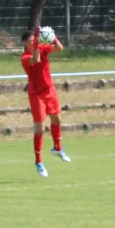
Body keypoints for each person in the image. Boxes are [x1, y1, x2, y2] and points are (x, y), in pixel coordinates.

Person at [20, 26, 71, 178]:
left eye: (34, 39)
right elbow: (35, 59)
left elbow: (59, 48)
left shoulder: (41, 47)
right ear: (25, 43)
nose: (34, 42)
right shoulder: (24, 58)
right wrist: (37, 41)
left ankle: (58, 147)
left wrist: (51, 35)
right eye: (31, 41)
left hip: (50, 91)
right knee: (40, 129)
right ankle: (38, 161)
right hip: (36, 95)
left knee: (57, 119)